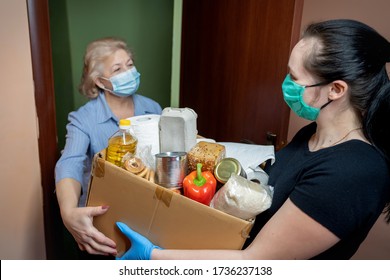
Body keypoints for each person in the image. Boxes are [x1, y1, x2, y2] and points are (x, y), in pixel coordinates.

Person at [115, 19, 390, 260]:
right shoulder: (313, 134)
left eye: (295, 78)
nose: (286, 84)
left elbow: (257, 261)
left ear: (335, 89)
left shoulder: (354, 172)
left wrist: (153, 257)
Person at [55, 37, 162, 257]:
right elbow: (69, 163)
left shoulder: (152, 108)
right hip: (105, 222)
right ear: (100, 82)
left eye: (130, 65)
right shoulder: (83, 119)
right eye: (118, 69)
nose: (129, 72)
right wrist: (68, 212)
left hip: (150, 215)